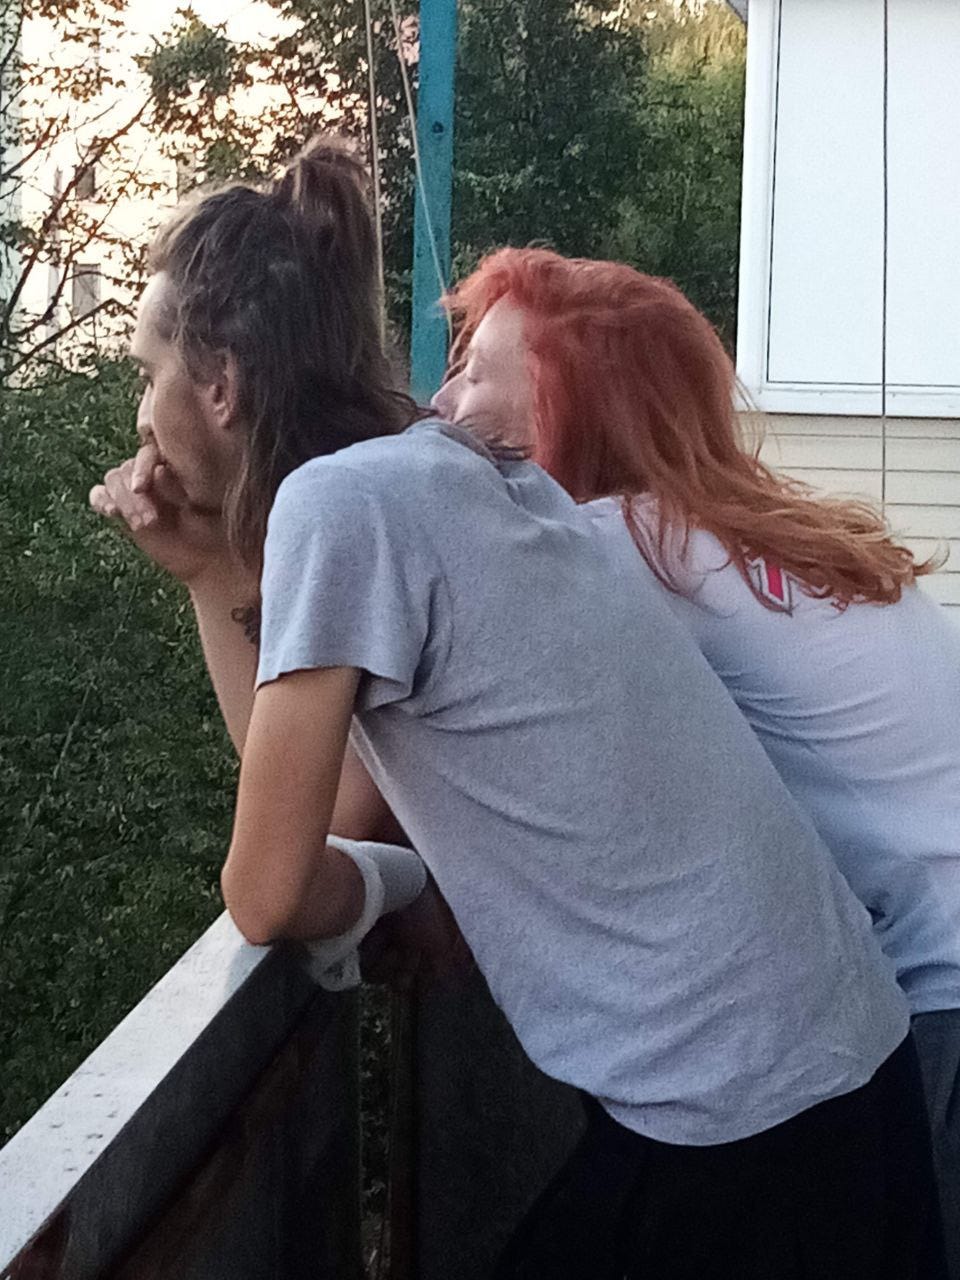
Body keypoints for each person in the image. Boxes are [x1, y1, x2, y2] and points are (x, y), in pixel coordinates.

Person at [90, 141, 943, 1279]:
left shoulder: (340, 508)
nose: (141, 413)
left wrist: (387, 888)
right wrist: (210, 577)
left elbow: (268, 884)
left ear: (223, 384)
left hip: (745, 1116)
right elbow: (339, 802)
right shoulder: (445, 474)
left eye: (149, 370)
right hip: (830, 1075)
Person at [435, 243, 960, 1275]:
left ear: (562, 409)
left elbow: (375, 780)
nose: (441, 403)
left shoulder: (611, 547)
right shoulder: (766, 531)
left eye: (475, 374)